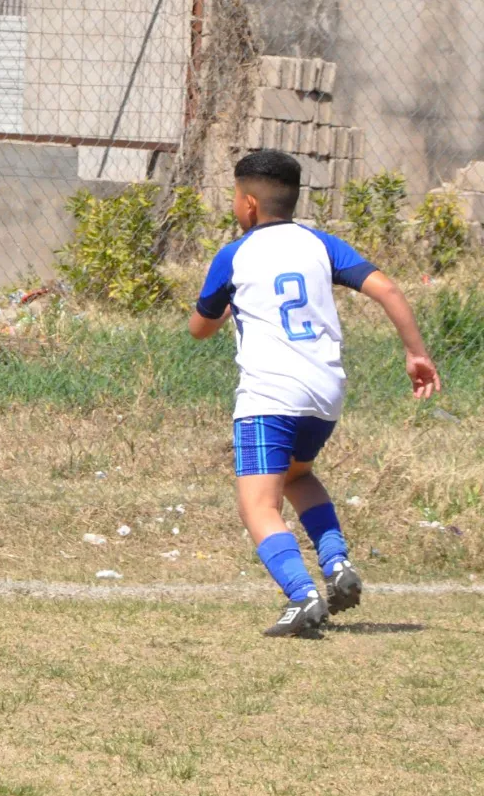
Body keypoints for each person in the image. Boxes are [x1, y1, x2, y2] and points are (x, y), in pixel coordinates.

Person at [189, 150, 441, 637]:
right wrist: (415, 352)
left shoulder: (235, 255)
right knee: (298, 477)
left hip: (269, 395)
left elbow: (200, 327)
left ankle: (302, 596)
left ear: (247, 204)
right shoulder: (321, 244)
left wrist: (225, 310)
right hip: (324, 394)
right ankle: (337, 562)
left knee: (258, 505)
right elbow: (386, 288)